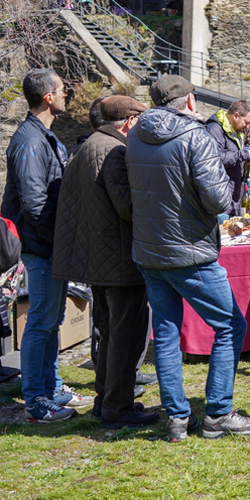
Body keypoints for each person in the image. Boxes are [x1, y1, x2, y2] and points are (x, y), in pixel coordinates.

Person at [127, 74, 250, 442]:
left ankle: (176, 418)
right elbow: (219, 200)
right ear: (188, 101)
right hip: (190, 252)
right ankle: (218, 413)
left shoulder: (135, 135)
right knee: (231, 326)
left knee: (167, 333)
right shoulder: (195, 136)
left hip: (150, 250)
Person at [51, 96, 158, 429]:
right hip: (118, 258)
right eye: (140, 121)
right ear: (128, 122)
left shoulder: (90, 145)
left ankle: (106, 401)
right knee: (125, 335)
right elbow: (126, 206)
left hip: (99, 257)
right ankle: (117, 407)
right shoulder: (114, 151)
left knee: (111, 333)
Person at [1, 68, 93, 423]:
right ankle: (36, 401)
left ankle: (51, 387)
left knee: (52, 320)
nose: (67, 93)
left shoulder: (43, 136)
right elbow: (34, 201)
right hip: (42, 248)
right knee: (40, 322)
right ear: (48, 97)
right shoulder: (29, 141)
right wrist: (58, 241)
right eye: (62, 89)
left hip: (51, 245)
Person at [206, 100, 250, 216]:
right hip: (222, 198)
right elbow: (214, 158)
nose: (247, 127)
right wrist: (242, 154)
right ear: (236, 116)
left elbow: (241, 162)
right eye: (246, 122)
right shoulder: (214, 130)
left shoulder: (236, 132)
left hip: (235, 197)